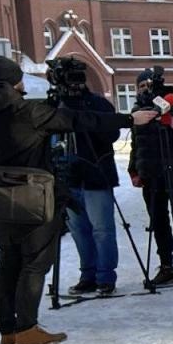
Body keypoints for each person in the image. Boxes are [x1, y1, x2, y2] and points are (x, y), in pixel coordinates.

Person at [0, 55, 153, 344]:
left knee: (9, 259)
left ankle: (8, 329)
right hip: (31, 197)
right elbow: (80, 120)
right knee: (35, 262)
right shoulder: (27, 112)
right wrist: (129, 119)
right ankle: (26, 328)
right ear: (11, 82)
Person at [127, 67, 173, 286]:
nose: (145, 90)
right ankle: (165, 264)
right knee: (158, 221)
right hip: (152, 175)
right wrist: (134, 169)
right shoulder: (138, 111)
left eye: (148, 85)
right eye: (141, 86)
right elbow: (136, 144)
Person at [60, 73, 122, 296]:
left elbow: (112, 133)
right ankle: (88, 275)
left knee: (102, 229)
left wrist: (86, 118)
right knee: (79, 230)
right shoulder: (57, 106)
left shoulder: (98, 103)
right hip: (69, 176)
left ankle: (105, 277)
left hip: (97, 173)